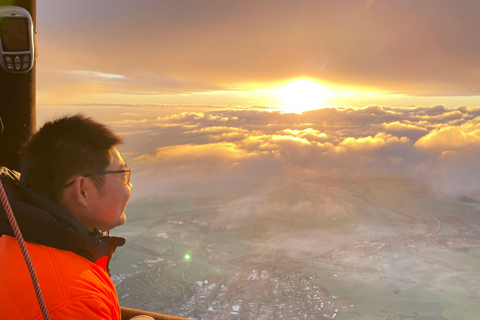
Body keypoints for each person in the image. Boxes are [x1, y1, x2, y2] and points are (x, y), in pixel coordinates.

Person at [0, 115, 189, 320]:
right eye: (123, 175)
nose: (130, 186)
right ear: (83, 191)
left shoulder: (13, 237)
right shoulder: (77, 300)